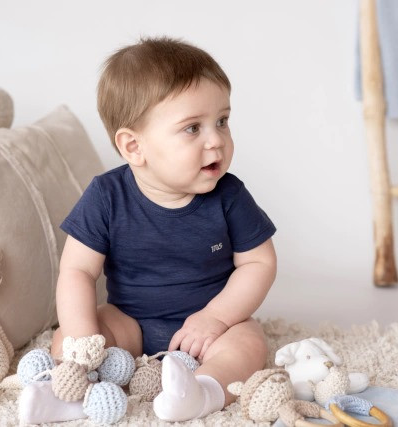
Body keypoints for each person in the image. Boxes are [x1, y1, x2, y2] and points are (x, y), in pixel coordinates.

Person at [47, 37, 276, 422]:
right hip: (129, 322)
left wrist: (217, 317)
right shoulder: (106, 196)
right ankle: (67, 391)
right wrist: (83, 338)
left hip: (209, 326)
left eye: (222, 120)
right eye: (192, 129)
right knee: (68, 336)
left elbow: (260, 263)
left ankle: (201, 391)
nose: (216, 139)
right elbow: (77, 271)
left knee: (249, 343)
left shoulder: (229, 195)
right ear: (134, 147)